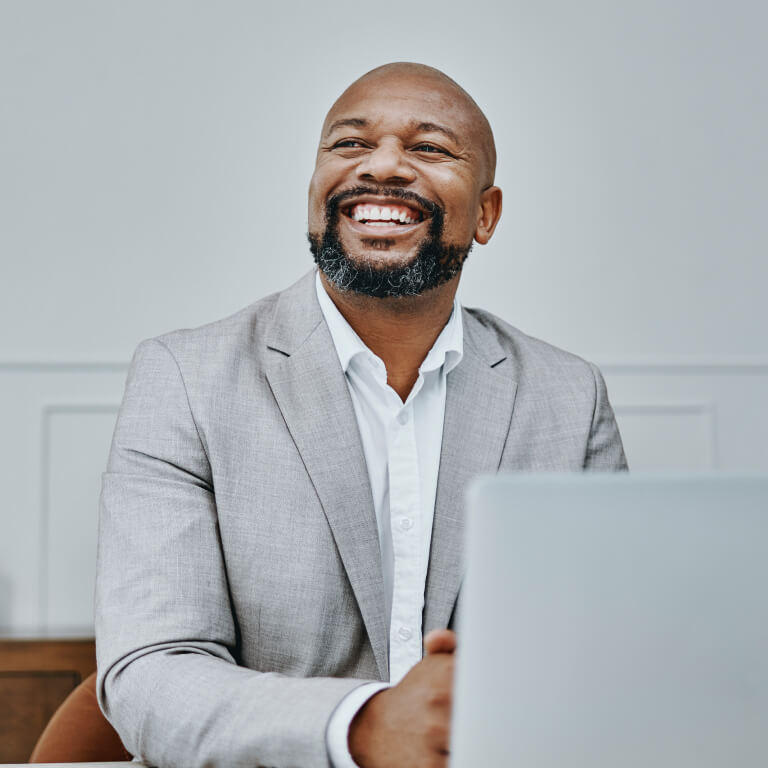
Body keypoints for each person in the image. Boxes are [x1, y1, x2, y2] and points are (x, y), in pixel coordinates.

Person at [95, 62, 627, 768]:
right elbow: (151, 673)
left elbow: (608, 653)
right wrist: (364, 725)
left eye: (429, 148)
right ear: (316, 195)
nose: (381, 166)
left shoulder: (568, 396)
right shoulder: (186, 379)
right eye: (349, 145)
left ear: (487, 213)